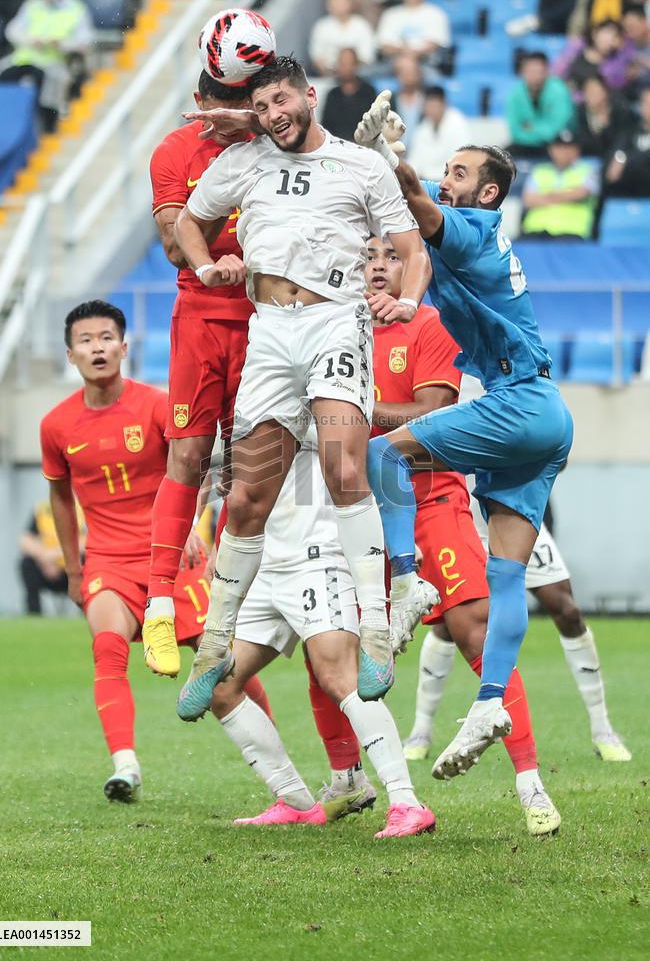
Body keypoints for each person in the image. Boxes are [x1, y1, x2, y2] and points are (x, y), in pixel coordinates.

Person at [173, 56, 432, 718]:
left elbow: (411, 247)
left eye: (282, 100)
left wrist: (407, 300)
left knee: (346, 464)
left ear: (309, 96)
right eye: (261, 107)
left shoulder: (360, 165)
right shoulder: (244, 161)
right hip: (270, 332)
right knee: (250, 495)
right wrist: (205, 268)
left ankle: (375, 632)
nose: (273, 115)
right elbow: (185, 223)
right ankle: (214, 648)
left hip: (334, 323)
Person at [356, 97, 573, 780]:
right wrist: (412, 301)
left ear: (488, 191)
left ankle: (407, 579)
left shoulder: (474, 227)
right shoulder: (468, 241)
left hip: (520, 401)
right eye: (444, 167)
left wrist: (391, 156)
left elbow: (418, 206)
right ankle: (487, 703)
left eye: (459, 170)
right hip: (549, 418)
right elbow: (419, 242)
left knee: (382, 452)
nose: (446, 177)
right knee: (505, 575)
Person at [365, 235, 561, 836]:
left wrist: (339, 414)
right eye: (364, 256)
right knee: (338, 650)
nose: (376, 265)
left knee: (474, 626)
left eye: (390, 255)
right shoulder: (331, 330)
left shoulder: (429, 324)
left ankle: (531, 786)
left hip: (429, 497)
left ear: (414, 266)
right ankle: (360, 784)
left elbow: (427, 418)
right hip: (350, 508)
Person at [40, 300, 271, 802]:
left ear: (124, 348)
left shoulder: (157, 405)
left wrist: (192, 524)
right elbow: (59, 496)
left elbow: (198, 463)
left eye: (106, 337)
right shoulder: (56, 425)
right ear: (70, 354)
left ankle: (279, 767)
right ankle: (125, 766)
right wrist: (74, 567)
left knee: (220, 662)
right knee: (107, 647)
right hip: (107, 561)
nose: (97, 347)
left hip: (170, 556)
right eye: (86, 340)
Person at [202, 428, 436, 838]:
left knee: (339, 675)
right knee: (219, 684)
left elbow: (361, 446)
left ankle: (406, 803)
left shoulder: (323, 381)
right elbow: (243, 478)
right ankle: (294, 801)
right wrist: (225, 542)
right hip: (262, 560)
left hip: (317, 555)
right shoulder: (248, 389)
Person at [143, 72, 256, 678]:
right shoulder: (174, 150)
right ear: (199, 103)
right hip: (200, 318)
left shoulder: (272, 140)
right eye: (223, 101)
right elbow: (171, 244)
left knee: (251, 467)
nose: (233, 111)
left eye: (244, 100)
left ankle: (232, 605)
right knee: (187, 455)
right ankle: (161, 604)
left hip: (270, 319)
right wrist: (213, 254)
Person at [410, 518, 632, 764]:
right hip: (463, 524)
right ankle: (420, 732)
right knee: (449, 625)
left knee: (567, 612)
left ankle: (603, 731)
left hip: (514, 517)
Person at [0, 0, 93, 132]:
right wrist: (30, 40)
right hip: (26, 59)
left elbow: (85, 39)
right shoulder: (32, 5)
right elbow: (12, 30)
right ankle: (7, 125)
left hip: (55, 61)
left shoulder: (76, 8)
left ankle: (48, 127)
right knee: (3, 78)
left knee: (48, 83)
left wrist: (62, 44)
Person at [521, 130, 599, 240]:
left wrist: (544, 197)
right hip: (535, 231)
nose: (564, 152)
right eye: (559, 147)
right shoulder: (539, 171)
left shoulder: (588, 171)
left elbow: (581, 193)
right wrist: (566, 196)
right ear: (551, 150)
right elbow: (528, 200)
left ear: (577, 151)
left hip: (572, 232)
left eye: (569, 147)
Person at [18, 500, 84, 615]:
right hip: (47, 570)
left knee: (88, 562)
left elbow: (87, 542)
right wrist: (44, 559)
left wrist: (56, 556)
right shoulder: (42, 510)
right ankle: (34, 614)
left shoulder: (82, 510)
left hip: (73, 571)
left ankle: (87, 612)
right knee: (26, 563)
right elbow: (25, 541)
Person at [506, 52, 574, 158]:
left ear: (547, 72)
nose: (535, 76)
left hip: (554, 144)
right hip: (523, 144)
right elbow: (515, 129)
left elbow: (557, 127)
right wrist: (541, 130)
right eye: (530, 71)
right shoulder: (516, 93)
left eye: (539, 71)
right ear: (522, 72)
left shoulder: (558, 90)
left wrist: (530, 128)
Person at [376, 0, 451, 66]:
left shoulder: (436, 14)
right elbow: (384, 45)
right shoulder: (390, 14)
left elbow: (435, 45)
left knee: (408, 63)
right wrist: (404, 52)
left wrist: (412, 55)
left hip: (425, 63)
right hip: (392, 63)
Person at [308, 0, 375, 76]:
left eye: (340, 0)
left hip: (358, 76)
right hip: (328, 76)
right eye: (332, 0)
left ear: (350, 1)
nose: (337, 4)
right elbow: (316, 59)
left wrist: (347, 68)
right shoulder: (321, 27)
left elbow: (367, 58)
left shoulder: (361, 25)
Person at [556, 19, 635, 96]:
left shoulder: (614, 65)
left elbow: (615, 86)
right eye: (607, 34)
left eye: (615, 37)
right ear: (595, 33)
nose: (610, 40)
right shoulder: (576, 48)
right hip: (564, 95)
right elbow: (557, 71)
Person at [408, 85, 471, 182]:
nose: (431, 110)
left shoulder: (457, 122)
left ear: (444, 104)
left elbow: (462, 159)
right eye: (428, 106)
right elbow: (414, 160)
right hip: (425, 181)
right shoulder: (423, 127)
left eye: (434, 105)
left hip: (450, 180)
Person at [321, 48, 377, 142]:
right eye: (343, 64)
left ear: (356, 65)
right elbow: (326, 128)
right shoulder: (332, 95)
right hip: (336, 148)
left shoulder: (368, 92)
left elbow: (374, 125)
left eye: (350, 63)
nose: (346, 67)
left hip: (364, 148)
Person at [604, 83, 650, 192]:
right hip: (628, 191)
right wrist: (621, 160)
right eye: (645, 103)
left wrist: (625, 160)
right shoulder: (630, 130)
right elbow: (615, 156)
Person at [574, 73, 629, 156]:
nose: (589, 95)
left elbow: (620, 142)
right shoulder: (579, 112)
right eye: (586, 90)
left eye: (594, 91)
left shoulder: (619, 112)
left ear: (605, 92)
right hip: (588, 158)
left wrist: (605, 126)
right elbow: (581, 143)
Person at [390, 53, 425, 147]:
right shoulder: (389, 102)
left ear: (419, 74)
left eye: (411, 72)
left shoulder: (427, 100)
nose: (408, 76)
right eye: (404, 72)